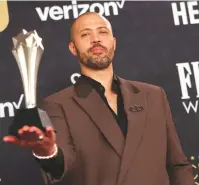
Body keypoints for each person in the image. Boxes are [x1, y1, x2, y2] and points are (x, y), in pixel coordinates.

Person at [3, 12, 194, 185]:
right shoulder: (57, 105)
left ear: (114, 42)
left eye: (102, 32)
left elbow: (177, 165)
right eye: (85, 34)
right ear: (73, 48)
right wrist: (47, 151)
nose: (96, 39)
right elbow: (61, 165)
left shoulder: (153, 95)